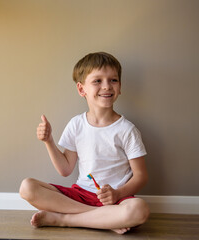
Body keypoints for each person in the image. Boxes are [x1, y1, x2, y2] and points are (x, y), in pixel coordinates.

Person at [19, 52, 150, 234]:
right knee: (27, 187)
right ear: (82, 90)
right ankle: (104, 218)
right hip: (80, 195)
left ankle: (64, 220)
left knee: (139, 209)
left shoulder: (127, 130)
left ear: (120, 87)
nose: (106, 86)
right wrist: (49, 141)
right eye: (97, 81)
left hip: (116, 199)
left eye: (113, 80)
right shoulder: (76, 124)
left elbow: (141, 176)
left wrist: (117, 194)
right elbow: (65, 170)